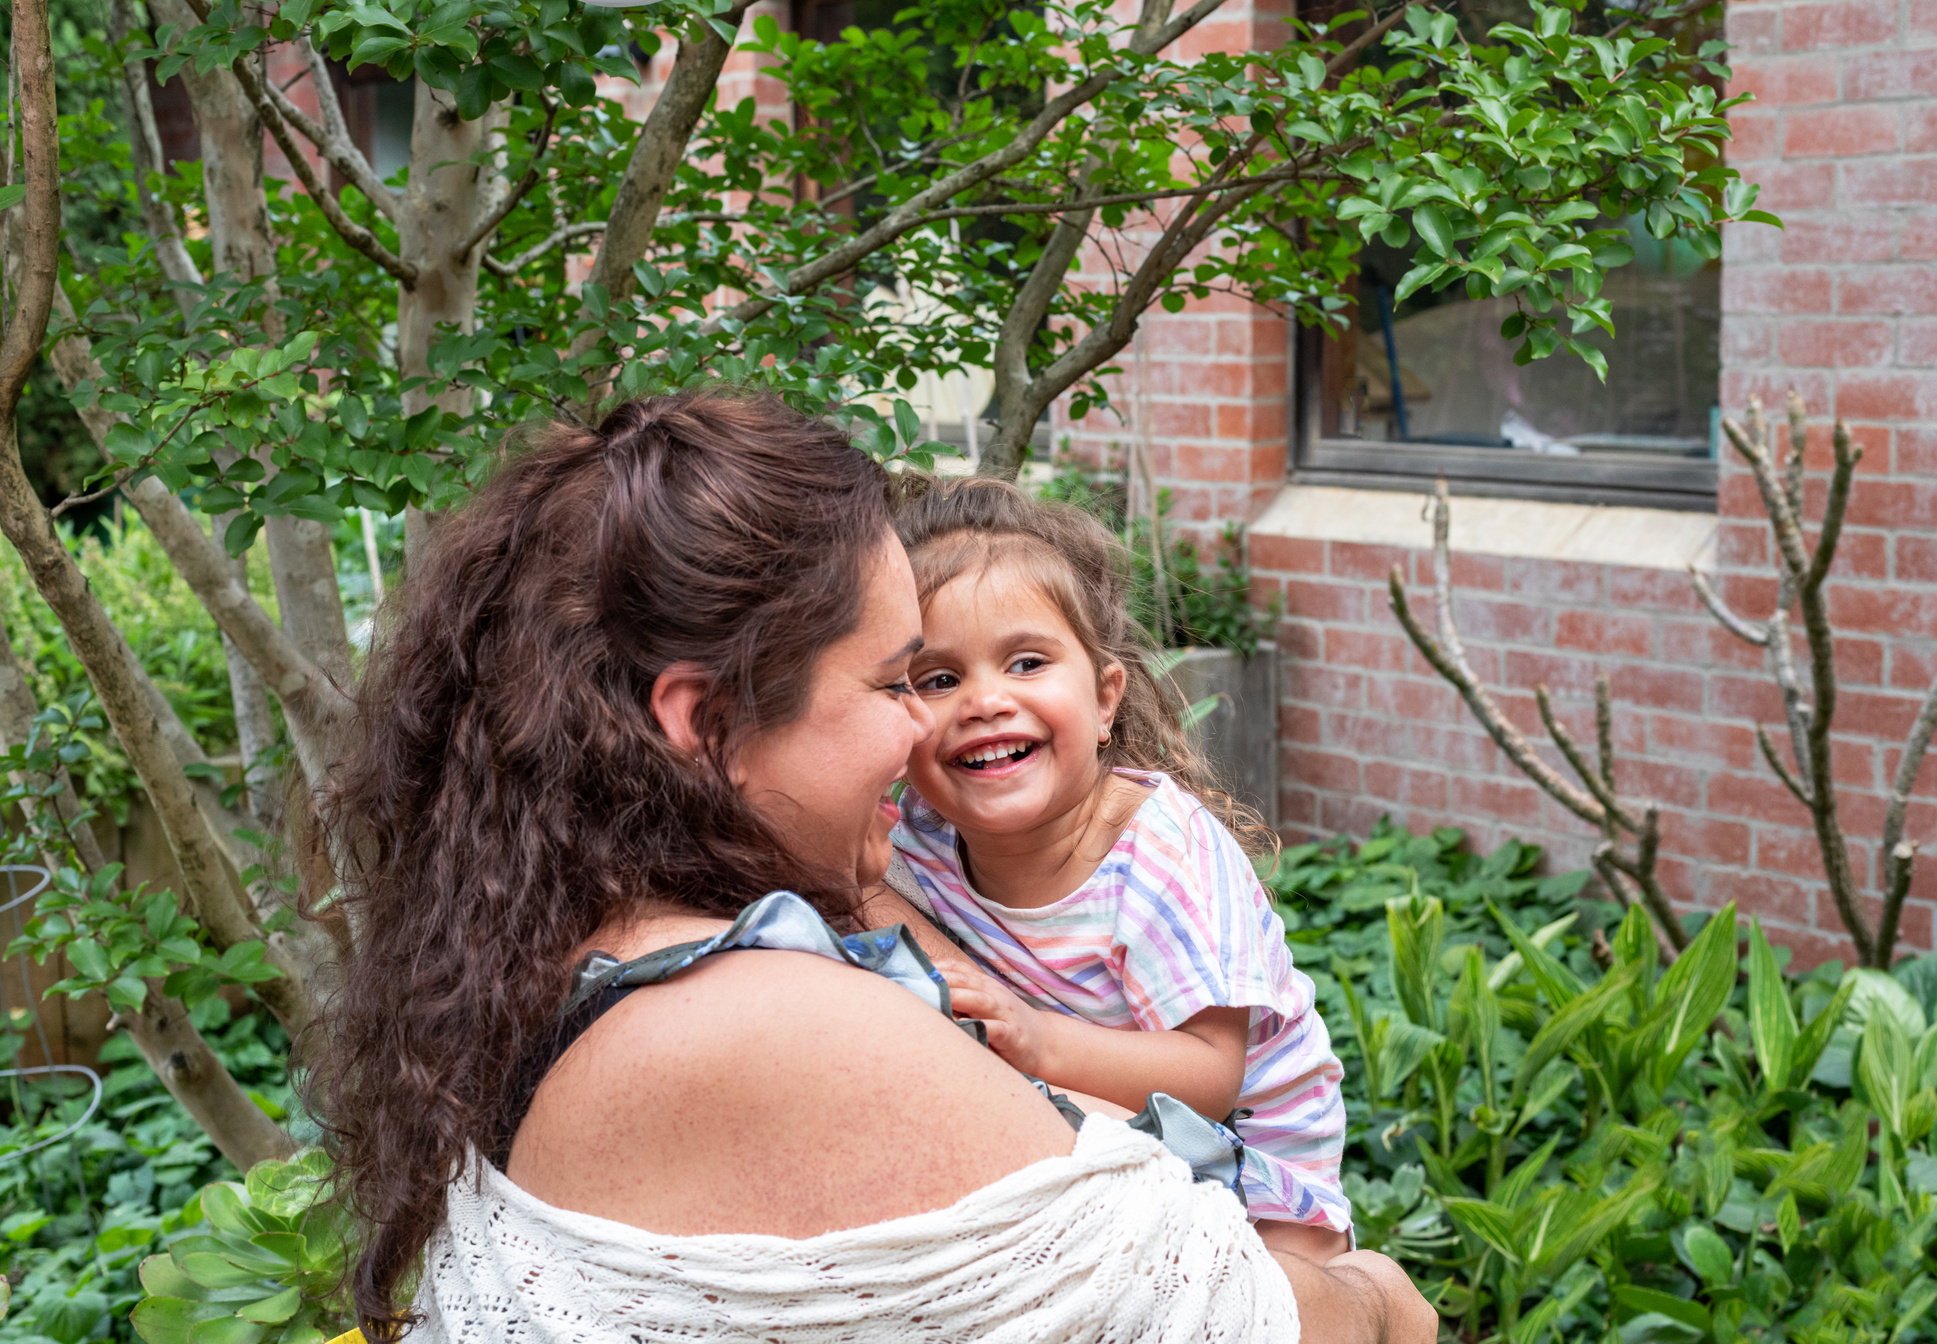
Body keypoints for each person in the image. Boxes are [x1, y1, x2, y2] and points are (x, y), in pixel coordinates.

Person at [307, 390, 1437, 1344]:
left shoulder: (551, 951)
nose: (924, 734)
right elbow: (1239, 1318)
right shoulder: (770, 1029)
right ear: (709, 722)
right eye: (903, 682)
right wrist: (1381, 1299)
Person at [882, 478, 1350, 1262]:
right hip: (1097, 1139)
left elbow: (1210, 1075)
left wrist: (1035, 1040)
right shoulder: (918, 841)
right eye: (938, 679)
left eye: (1026, 662)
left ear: (1105, 701)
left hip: (1262, 1178)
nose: (985, 701)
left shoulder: (1159, 857)